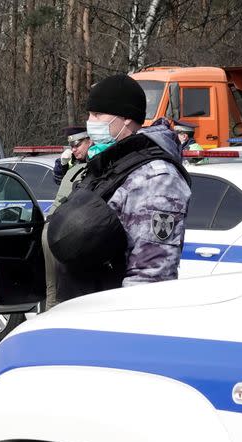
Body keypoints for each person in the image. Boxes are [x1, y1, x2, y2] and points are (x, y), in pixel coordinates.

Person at [46, 74, 191, 304]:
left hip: (112, 317)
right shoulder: (108, 163)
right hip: (82, 309)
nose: (90, 121)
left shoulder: (156, 176)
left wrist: (121, 324)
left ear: (125, 118)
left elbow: (151, 272)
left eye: (97, 114)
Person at [42, 127, 91, 309]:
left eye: (77, 145)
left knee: (62, 289)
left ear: (90, 141)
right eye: (72, 146)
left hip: (65, 227)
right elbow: (60, 179)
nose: (74, 149)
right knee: (56, 289)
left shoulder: (89, 163)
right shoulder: (75, 164)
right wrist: (62, 164)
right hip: (60, 227)